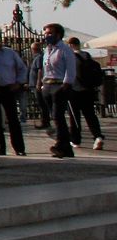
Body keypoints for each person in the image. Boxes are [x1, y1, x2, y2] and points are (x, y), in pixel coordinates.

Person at [0, 28, 27, 155]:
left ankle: (19, 148)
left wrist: (18, 82)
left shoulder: (9, 53)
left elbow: (22, 68)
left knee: (13, 118)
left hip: (7, 88)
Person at [39, 24, 78, 158]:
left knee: (58, 116)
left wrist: (65, 85)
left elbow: (71, 69)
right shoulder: (47, 50)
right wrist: (43, 85)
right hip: (48, 85)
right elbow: (45, 69)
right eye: (46, 33)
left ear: (58, 35)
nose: (47, 36)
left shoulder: (65, 50)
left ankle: (61, 144)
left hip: (59, 86)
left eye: (50, 33)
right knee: (54, 117)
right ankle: (66, 147)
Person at [66, 36, 106, 150]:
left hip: (74, 90)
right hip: (88, 90)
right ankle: (98, 136)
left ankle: (76, 140)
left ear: (70, 45)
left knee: (74, 117)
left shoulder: (70, 57)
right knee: (91, 116)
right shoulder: (87, 56)